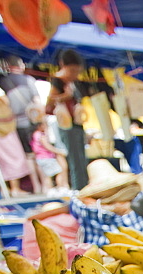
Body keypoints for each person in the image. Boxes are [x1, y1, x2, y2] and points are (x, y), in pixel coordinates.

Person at [46, 49, 89, 190]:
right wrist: (65, 96)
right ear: (63, 65)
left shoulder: (74, 82)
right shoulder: (58, 80)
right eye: (72, 71)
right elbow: (49, 105)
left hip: (76, 124)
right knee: (75, 160)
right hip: (65, 125)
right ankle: (79, 189)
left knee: (82, 158)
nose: (75, 74)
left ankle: (85, 186)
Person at [31, 118, 67, 193]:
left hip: (40, 158)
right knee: (58, 172)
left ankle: (50, 189)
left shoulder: (35, 135)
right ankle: (61, 188)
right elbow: (47, 146)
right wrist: (59, 151)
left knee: (48, 175)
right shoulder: (41, 136)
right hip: (46, 158)